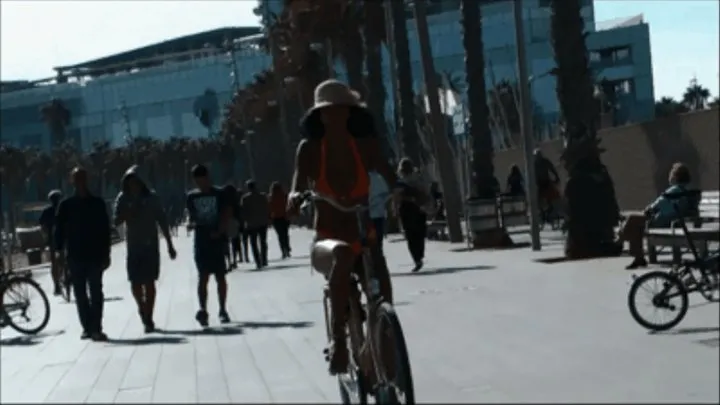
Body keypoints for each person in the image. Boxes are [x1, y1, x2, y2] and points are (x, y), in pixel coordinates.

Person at [286, 79, 398, 375]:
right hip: (328, 243)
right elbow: (297, 182)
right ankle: (339, 342)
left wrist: (406, 189)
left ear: (350, 114)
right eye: (327, 112)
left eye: (341, 111)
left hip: (364, 232)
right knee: (345, 255)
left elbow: (388, 172)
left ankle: (384, 345)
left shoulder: (364, 146)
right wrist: (295, 198)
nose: (334, 117)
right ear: (319, 116)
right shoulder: (309, 149)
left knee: (381, 283)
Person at [113, 166, 176, 333]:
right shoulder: (123, 198)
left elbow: (162, 220)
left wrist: (170, 244)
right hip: (133, 246)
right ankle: (141, 306)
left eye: (136, 182)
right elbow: (116, 221)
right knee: (135, 283)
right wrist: (128, 213)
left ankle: (148, 317)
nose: (133, 185)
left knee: (150, 283)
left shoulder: (152, 197)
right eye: (130, 182)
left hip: (150, 246)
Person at [54, 167, 112, 341]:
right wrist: (58, 251)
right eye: (77, 178)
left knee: (96, 292)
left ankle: (96, 327)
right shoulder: (66, 205)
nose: (80, 181)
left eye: (83, 178)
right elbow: (58, 230)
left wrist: (107, 253)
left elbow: (105, 230)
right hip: (75, 255)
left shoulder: (97, 203)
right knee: (80, 293)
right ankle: (86, 327)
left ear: (87, 180)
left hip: (95, 254)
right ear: (72, 181)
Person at [617, 162, 694, 269]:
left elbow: (659, 203)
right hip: (669, 220)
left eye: (671, 174)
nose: (670, 176)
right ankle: (638, 257)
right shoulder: (683, 190)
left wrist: (648, 210)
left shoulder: (675, 190)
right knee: (635, 225)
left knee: (632, 219)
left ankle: (620, 240)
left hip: (662, 221)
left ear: (675, 177)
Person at [186, 164, 232, 326]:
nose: (200, 184)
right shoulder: (192, 197)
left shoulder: (219, 194)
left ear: (208, 178)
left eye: (202, 180)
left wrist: (220, 231)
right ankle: (203, 309)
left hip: (217, 240)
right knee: (202, 277)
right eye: (197, 182)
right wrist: (191, 223)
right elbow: (191, 216)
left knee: (220, 277)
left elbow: (226, 214)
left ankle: (223, 309)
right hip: (201, 242)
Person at [396, 158, 431, 272]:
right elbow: (426, 191)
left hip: (407, 209)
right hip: (417, 208)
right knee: (419, 234)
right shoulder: (418, 178)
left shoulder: (400, 181)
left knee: (411, 236)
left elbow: (397, 197)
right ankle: (419, 256)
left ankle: (417, 258)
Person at [241, 180, 270, 269]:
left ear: (248, 188)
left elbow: (243, 212)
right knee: (263, 242)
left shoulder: (245, 198)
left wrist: (244, 221)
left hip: (252, 224)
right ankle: (264, 259)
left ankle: (258, 261)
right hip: (263, 222)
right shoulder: (263, 196)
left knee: (253, 243)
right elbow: (267, 208)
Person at [39, 190, 63, 295]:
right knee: (59, 261)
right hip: (60, 239)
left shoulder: (47, 211)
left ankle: (57, 284)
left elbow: (42, 226)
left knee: (54, 263)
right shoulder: (63, 209)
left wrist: (45, 237)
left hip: (53, 239)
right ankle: (58, 282)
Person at [221, 184, 242, 270]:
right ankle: (234, 260)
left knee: (226, 243)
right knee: (234, 242)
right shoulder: (236, 200)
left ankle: (228, 261)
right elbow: (239, 211)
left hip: (225, 221)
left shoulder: (222, 200)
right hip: (234, 221)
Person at [269, 181, 292, 259]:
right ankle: (287, 248)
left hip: (276, 218)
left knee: (280, 235)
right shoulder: (285, 196)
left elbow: (270, 208)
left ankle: (283, 250)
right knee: (285, 234)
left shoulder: (271, 197)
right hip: (284, 217)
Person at [368, 171, 390, 250]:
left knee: (375, 239)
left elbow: (387, 194)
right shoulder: (378, 177)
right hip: (374, 214)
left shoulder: (378, 177)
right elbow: (387, 195)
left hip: (376, 214)